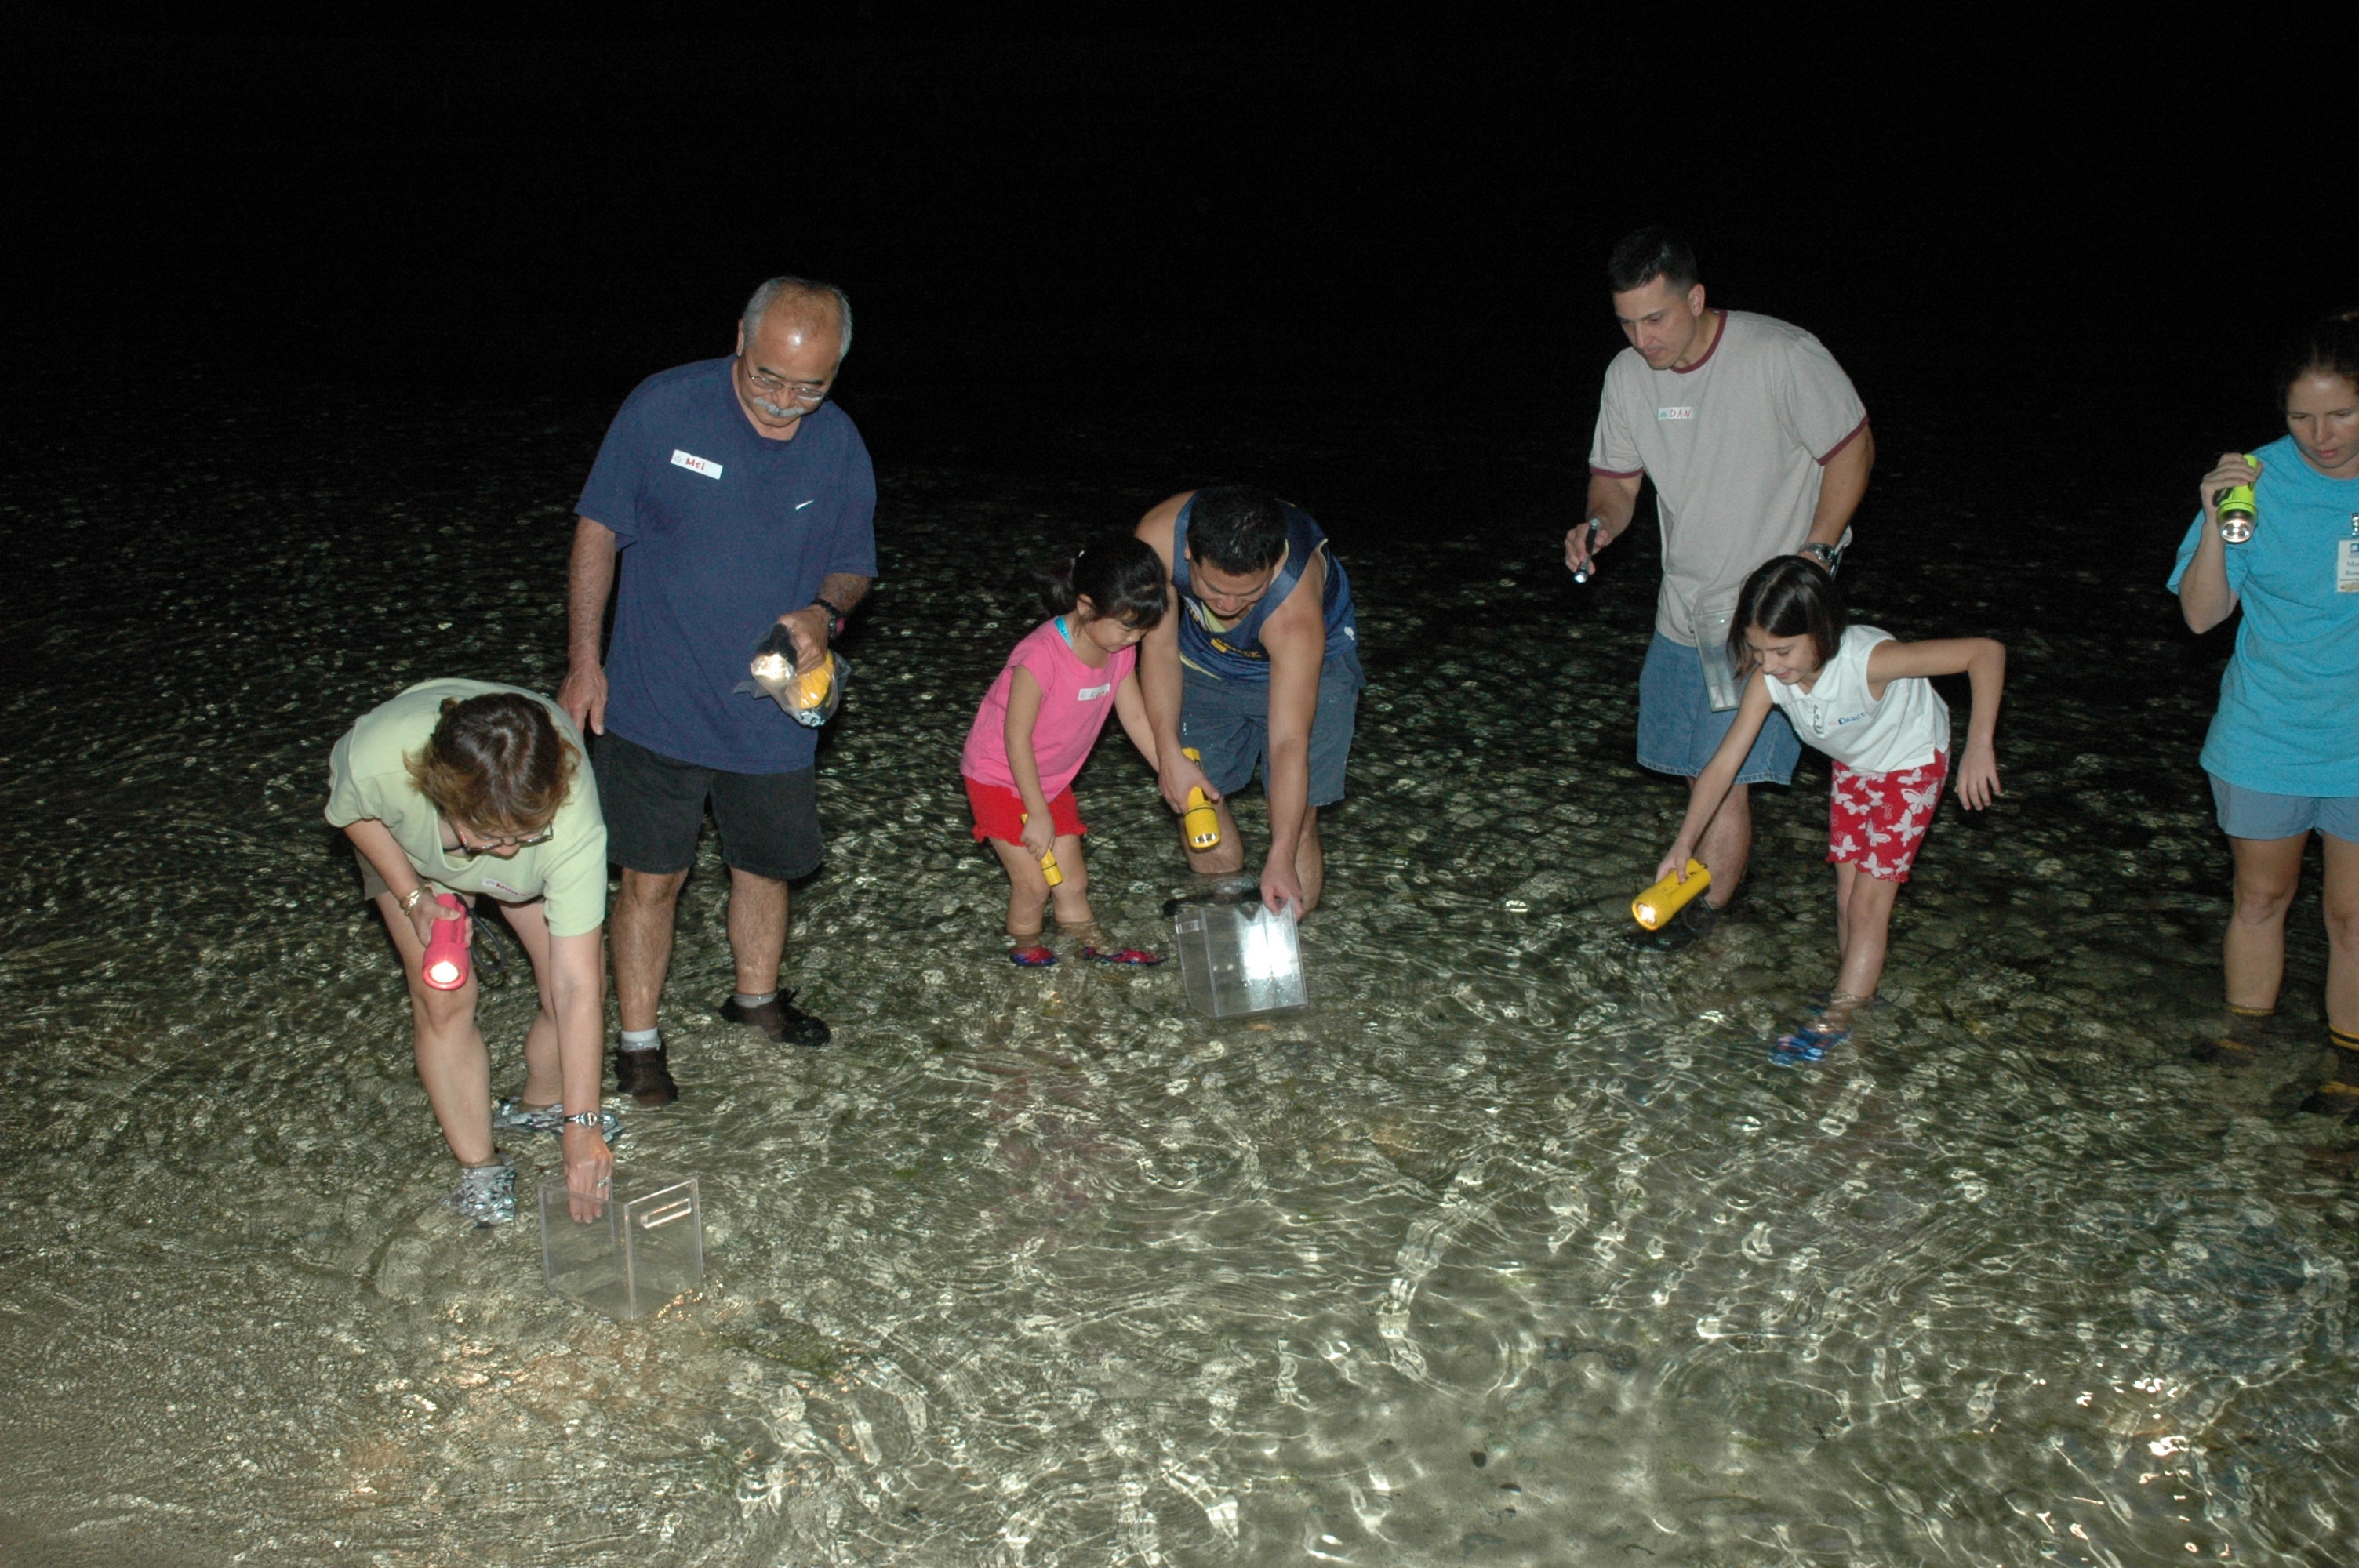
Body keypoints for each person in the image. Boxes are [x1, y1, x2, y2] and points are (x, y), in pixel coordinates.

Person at [561, 276, 877, 1107]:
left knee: (764, 868)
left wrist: (823, 609)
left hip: (770, 704)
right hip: (653, 699)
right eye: (767, 376)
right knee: (651, 878)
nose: (783, 402)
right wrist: (584, 660)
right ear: (739, 338)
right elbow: (598, 531)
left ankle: (755, 999)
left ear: (836, 371)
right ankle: (636, 1041)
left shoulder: (837, 441)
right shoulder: (662, 408)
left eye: (808, 386)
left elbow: (854, 561)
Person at [1567, 227, 1874, 950]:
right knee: (1695, 770)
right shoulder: (1627, 377)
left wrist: (1818, 554)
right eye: (1627, 323)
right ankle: (1715, 902)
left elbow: (1852, 447)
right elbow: (1615, 480)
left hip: (1766, 620)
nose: (1642, 340)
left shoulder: (1781, 356)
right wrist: (1598, 524)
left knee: (1723, 769)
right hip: (1685, 607)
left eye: (1656, 319)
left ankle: (1706, 918)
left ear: (1695, 298)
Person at [1652, 557, 2004, 1065]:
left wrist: (1979, 745)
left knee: (1868, 905)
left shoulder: (1871, 661)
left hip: (1911, 764)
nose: (1769, 665)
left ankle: (1838, 1018)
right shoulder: (1768, 679)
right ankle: (1857, 993)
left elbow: (1985, 653)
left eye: (1782, 650)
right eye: (1756, 649)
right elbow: (1722, 765)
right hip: (1856, 765)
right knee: (1845, 899)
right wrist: (1683, 844)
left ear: (1821, 631)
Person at [326, 681, 615, 1225]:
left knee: (574, 985)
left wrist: (584, 1123)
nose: (506, 851)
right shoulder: (377, 758)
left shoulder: (570, 817)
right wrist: (413, 896)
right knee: (443, 998)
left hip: (540, 847)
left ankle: (543, 1108)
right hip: (409, 851)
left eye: (522, 834)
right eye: (493, 836)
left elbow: (577, 988)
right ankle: (479, 1167)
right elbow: (351, 814)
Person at [2170, 313, 2359, 1116]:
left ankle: (2348, 1062)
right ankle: (2244, 1033)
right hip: (2264, 732)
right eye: (2300, 416)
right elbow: (2200, 616)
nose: (2320, 435)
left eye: (2341, 413)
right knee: (2259, 897)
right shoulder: (2253, 480)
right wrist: (2214, 519)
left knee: (2352, 912)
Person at [1134, 483, 1363, 914]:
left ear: (1275, 562)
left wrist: (1278, 856)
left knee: (1297, 817)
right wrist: (1169, 755)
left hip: (1313, 662)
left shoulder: (1294, 610)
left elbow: (1289, 743)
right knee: (1196, 799)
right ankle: (1224, 918)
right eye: (1212, 588)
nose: (1227, 604)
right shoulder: (1157, 540)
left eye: (1247, 594)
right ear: (1187, 552)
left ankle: (1293, 939)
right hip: (1205, 659)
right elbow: (1159, 649)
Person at [961, 535, 1166, 960]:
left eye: (1145, 628)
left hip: (1051, 779)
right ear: (1087, 606)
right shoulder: (1040, 656)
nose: (1137, 637)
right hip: (998, 774)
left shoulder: (1119, 650)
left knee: (1072, 881)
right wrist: (1037, 814)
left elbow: (1135, 718)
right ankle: (1027, 945)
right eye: (1129, 626)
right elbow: (1015, 739)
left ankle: (1093, 946)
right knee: (1034, 883)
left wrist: (1171, 769)